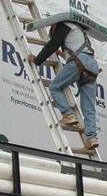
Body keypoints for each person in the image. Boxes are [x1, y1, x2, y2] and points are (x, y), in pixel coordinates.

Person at [28, 17, 102, 151]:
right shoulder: (79, 33)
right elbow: (77, 52)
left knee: (54, 87)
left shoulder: (63, 25)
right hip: (92, 66)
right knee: (89, 108)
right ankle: (92, 138)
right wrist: (61, 53)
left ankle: (68, 114)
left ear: (54, 27)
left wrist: (37, 60)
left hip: (80, 62)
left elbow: (52, 45)